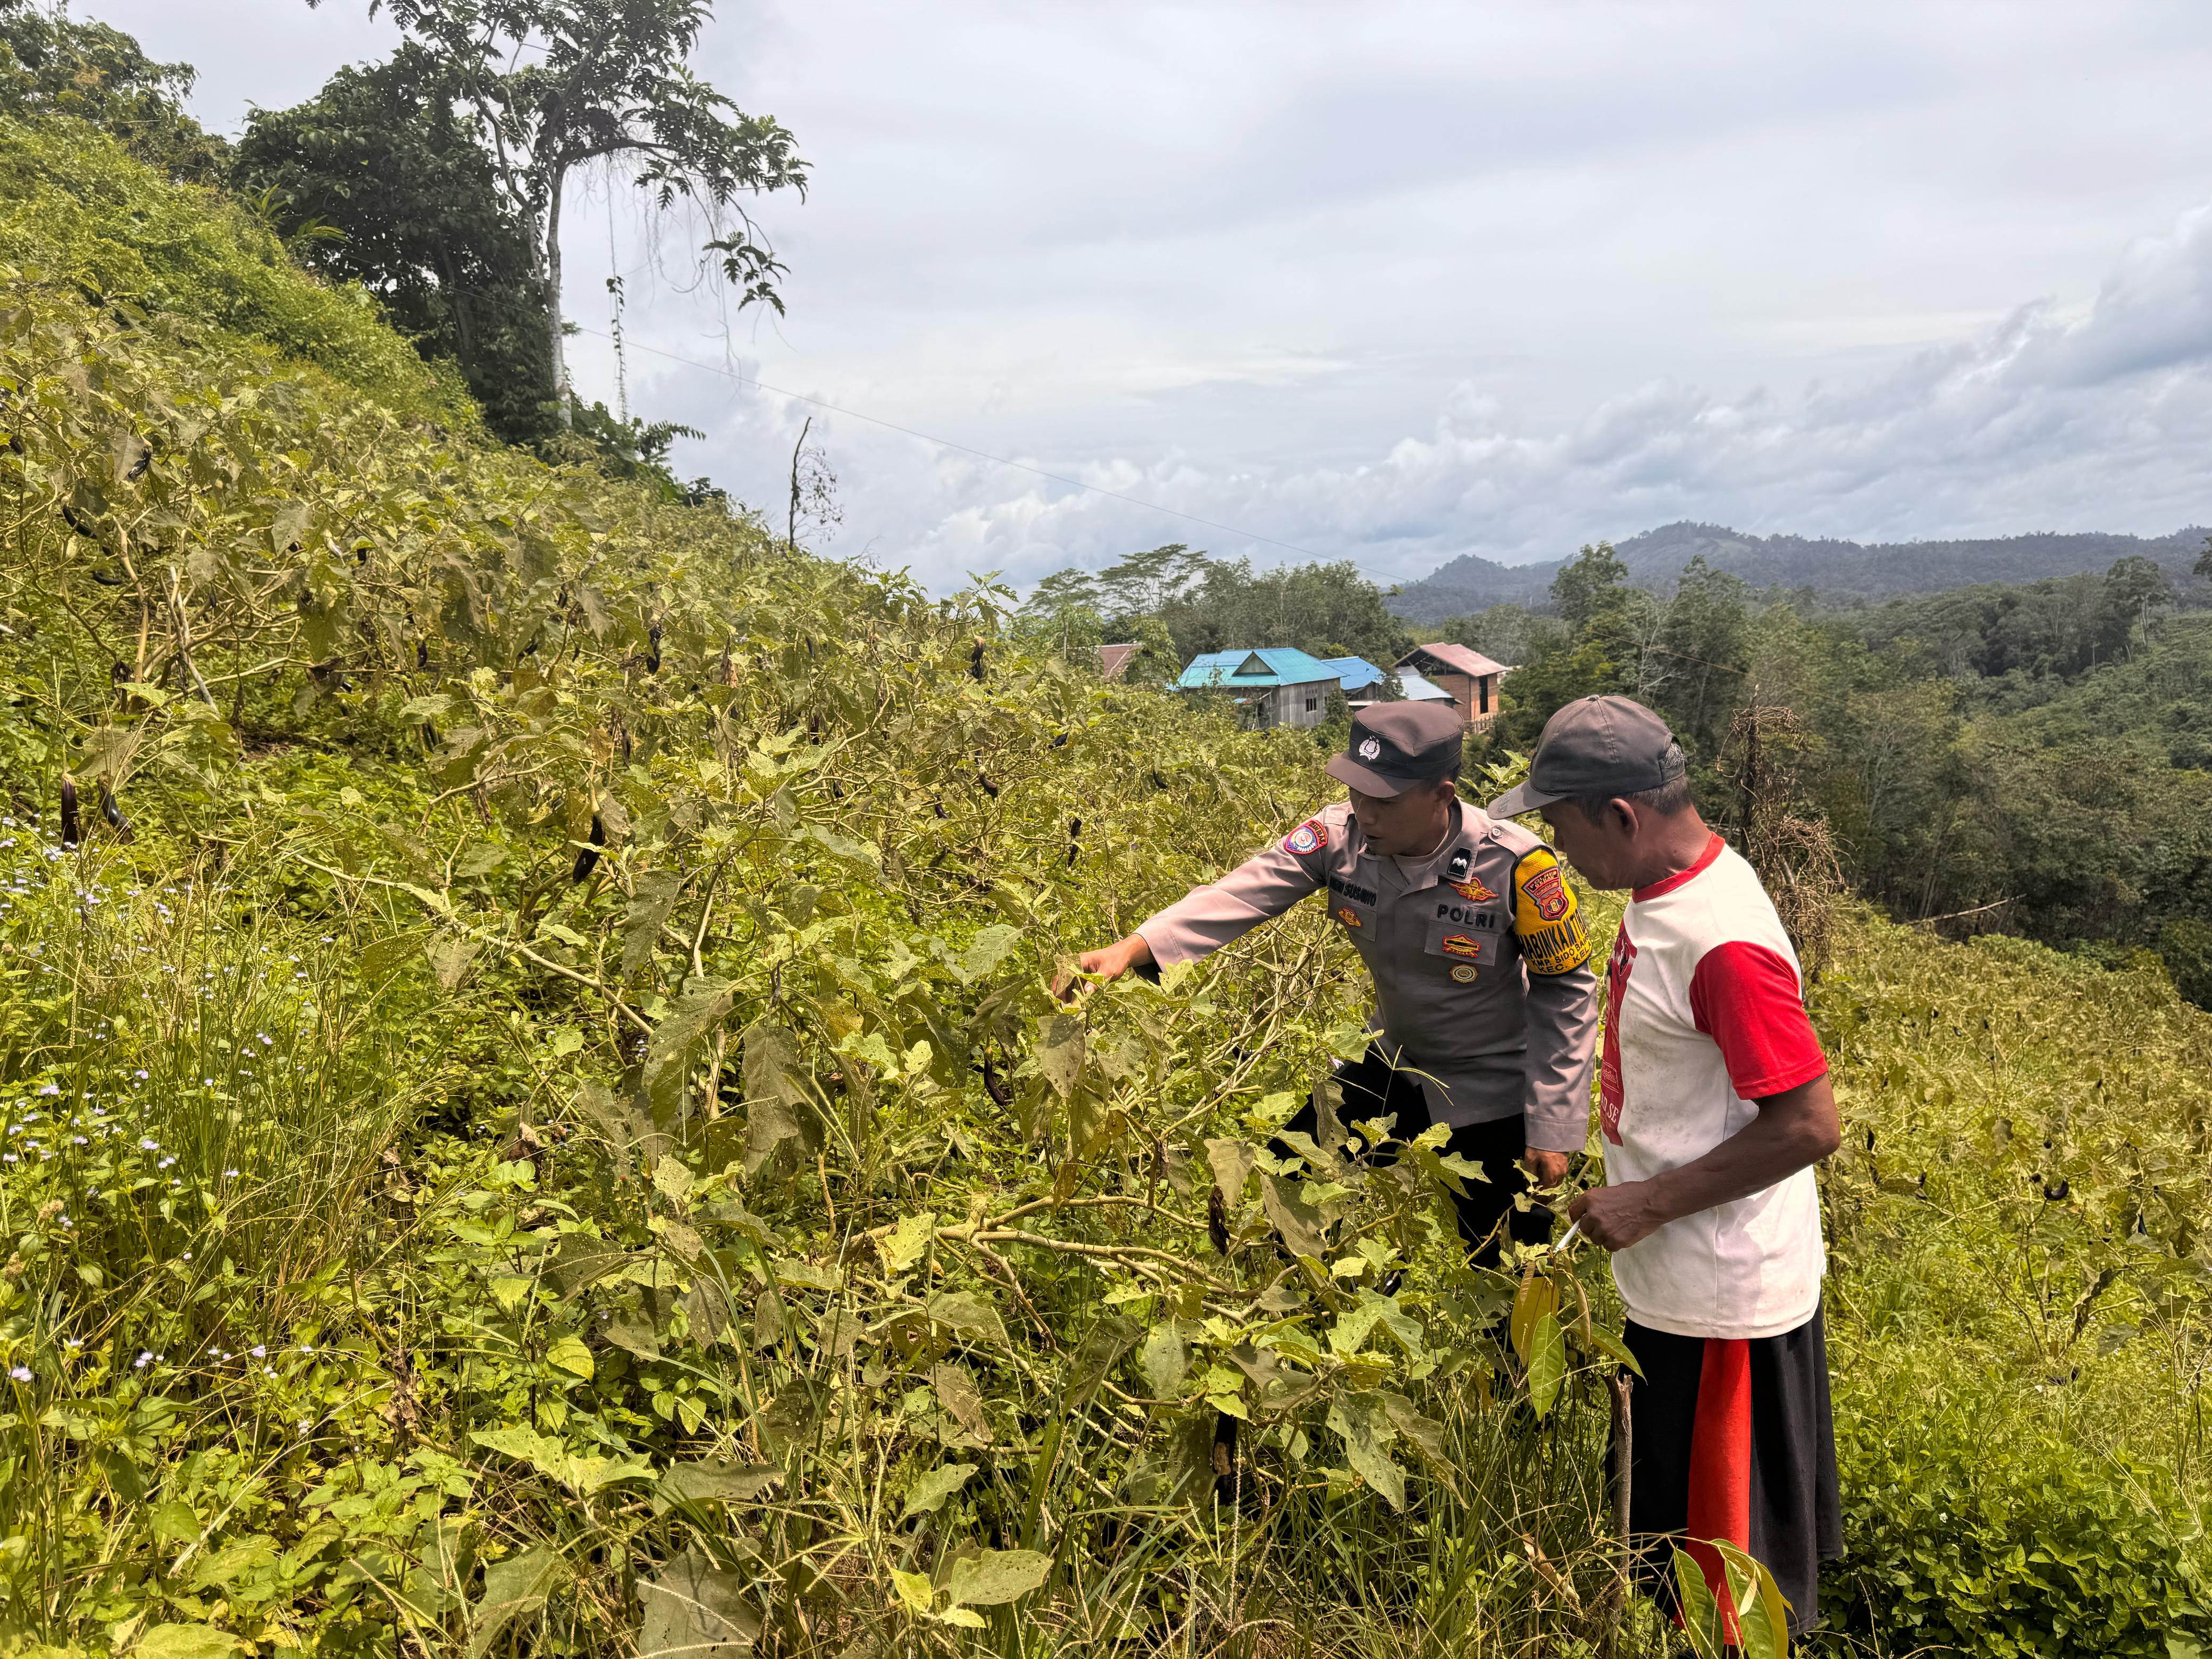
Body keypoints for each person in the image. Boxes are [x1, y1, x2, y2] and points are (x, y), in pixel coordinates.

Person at [1487, 694, 1843, 1638]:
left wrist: (1651, 1200)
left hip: (1723, 1307)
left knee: (1728, 1603)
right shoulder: (1671, 891)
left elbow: (1809, 1123)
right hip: (1678, 1288)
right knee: (1672, 1569)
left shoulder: (1720, 940)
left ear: (1621, 818)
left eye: (1562, 828)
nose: (1558, 853)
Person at [1064, 701, 1599, 1268]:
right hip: (1394, 1060)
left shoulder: (1515, 868)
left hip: (1495, 1088)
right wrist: (1133, 947)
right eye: (1355, 792)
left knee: (1508, 1263)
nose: (1364, 812)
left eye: (1384, 800)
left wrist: (1553, 1122)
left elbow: (1565, 991)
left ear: (1442, 796)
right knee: (1285, 1186)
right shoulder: (1334, 837)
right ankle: (1293, 1320)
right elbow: (1240, 892)